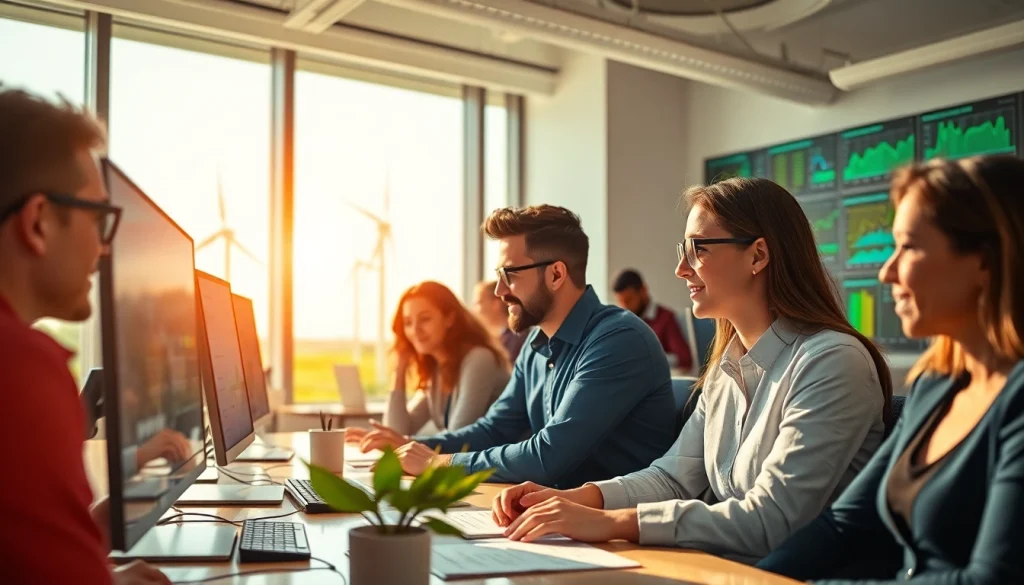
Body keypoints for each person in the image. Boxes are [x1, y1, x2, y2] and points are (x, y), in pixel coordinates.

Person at [491, 177, 891, 564]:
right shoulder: (725, 370)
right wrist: (570, 499)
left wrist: (608, 521)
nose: (681, 268)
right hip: (725, 569)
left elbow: (772, 519)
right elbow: (673, 479)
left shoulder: (832, 362)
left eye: (698, 249)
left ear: (758, 255)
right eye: (682, 250)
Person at [758, 155, 1024, 584]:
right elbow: (845, 525)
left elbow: (993, 580)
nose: (886, 272)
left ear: (986, 260)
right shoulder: (934, 387)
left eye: (909, 247)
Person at [358, 205, 677, 487]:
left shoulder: (617, 341)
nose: (499, 291)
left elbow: (547, 456)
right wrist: (414, 446)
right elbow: (493, 429)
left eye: (509, 274)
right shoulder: (535, 346)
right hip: (556, 518)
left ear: (556, 274)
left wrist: (437, 463)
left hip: (617, 534)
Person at [0, 87, 170, 584]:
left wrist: (81, 539)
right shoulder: (20, 367)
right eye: (99, 218)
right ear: (39, 222)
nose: (104, 248)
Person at [346, 281, 510, 442]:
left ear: (449, 318)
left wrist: (401, 442)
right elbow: (398, 431)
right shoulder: (437, 370)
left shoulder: (479, 359)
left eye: (424, 319)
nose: (415, 330)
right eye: (408, 323)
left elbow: (458, 435)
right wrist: (399, 371)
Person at [612, 268, 692, 370]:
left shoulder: (665, 317)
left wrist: (648, 357)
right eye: (621, 302)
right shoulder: (621, 322)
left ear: (643, 290)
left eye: (629, 300)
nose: (625, 306)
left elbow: (684, 359)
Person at [472, 279, 527, 362]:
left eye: (479, 303)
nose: (474, 310)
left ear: (495, 304)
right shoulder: (496, 338)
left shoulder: (517, 339)